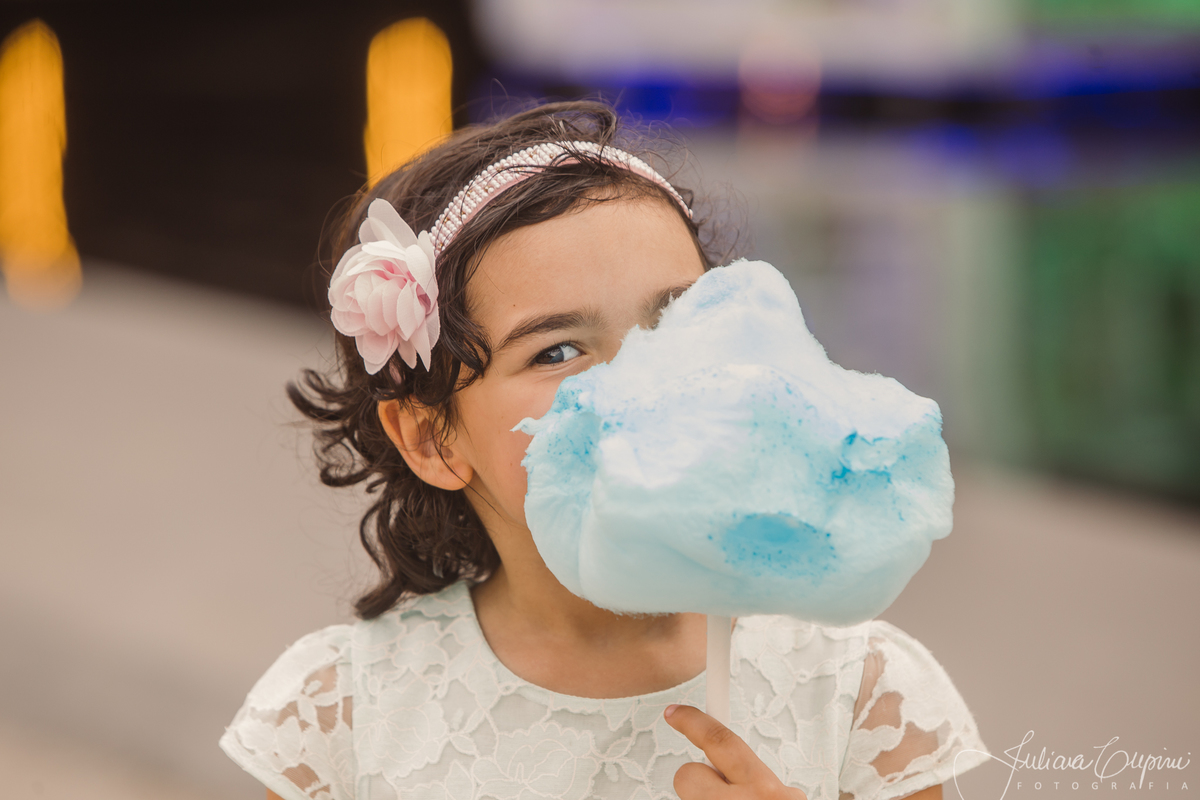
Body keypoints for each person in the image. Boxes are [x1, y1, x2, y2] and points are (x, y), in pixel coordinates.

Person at [219, 100, 989, 800]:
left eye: (677, 319)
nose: (642, 381)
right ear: (431, 438)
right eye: (557, 351)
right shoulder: (344, 714)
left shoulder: (858, 693)